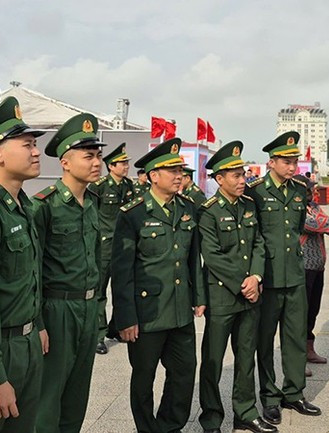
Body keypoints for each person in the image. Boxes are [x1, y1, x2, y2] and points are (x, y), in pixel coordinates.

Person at [111, 137, 206, 433]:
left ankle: (169, 426)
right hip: (146, 314)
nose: (180, 176)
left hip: (179, 311)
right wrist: (126, 318)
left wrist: (199, 296)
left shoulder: (188, 208)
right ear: (153, 176)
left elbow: (193, 259)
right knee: (143, 379)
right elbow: (122, 270)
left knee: (184, 374)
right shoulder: (133, 213)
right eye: (172, 170)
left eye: (181, 170)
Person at [0, 97, 46, 433]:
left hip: (28, 341)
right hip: (0, 346)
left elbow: (29, 277)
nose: (36, 152)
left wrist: (39, 323)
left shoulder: (23, 206)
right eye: (27, 144)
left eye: (35, 145)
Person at [33, 113, 105, 433]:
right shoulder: (44, 206)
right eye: (88, 156)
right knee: (50, 398)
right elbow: (32, 270)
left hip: (88, 307)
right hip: (57, 308)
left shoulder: (93, 202)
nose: (96, 162)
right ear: (65, 161)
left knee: (78, 395)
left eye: (98, 155)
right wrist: (38, 322)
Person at [197, 141, 276, 433]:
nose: (243, 180)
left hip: (250, 295)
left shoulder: (248, 206)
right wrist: (242, 283)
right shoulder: (208, 211)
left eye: (243, 174)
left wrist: (255, 277)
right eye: (236, 176)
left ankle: (245, 412)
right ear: (219, 179)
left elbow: (257, 243)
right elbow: (212, 254)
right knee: (213, 362)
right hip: (222, 297)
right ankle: (211, 419)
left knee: (246, 359)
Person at [246, 131, 321, 425]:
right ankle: (270, 397)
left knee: (294, 338)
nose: (293, 167)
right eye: (287, 161)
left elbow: (299, 227)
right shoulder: (256, 192)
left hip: (294, 275)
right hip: (268, 278)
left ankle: (295, 393)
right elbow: (253, 237)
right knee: (264, 342)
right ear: (271, 161)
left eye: (295, 161)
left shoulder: (300, 190)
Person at [90, 143, 134, 354]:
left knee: (122, 286)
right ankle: (98, 334)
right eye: (122, 163)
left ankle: (115, 327)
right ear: (111, 166)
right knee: (100, 289)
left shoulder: (129, 186)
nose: (126, 167)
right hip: (105, 245)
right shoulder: (99, 185)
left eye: (127, 163)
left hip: (124, 245)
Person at [299, 176, 329, 368]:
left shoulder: (314, 206)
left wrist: (326, 222)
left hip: (318, 266)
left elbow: (322, 223)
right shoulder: (296, 209)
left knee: (313, 310)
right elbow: (313, 224)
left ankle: (309, 349)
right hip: (304, 267)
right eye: (311, 189)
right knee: (301, 314)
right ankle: (298, 358)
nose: (315, 192)